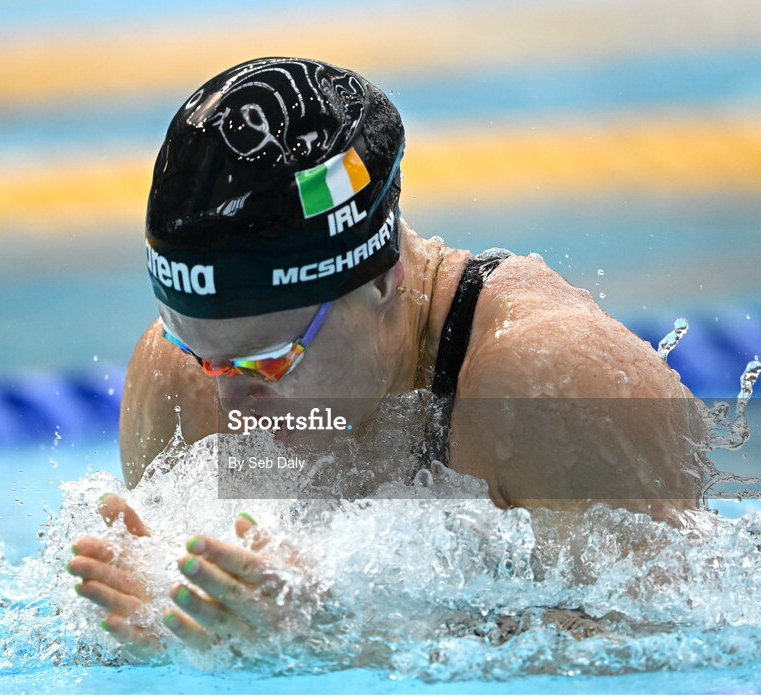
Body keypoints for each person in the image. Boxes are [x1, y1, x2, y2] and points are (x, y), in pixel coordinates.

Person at [68, 57, 701, 657]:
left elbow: (672, 641)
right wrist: (162, 631)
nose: (229, 403)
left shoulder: (549, 387)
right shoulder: (175, 379)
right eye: (200, 353)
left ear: (381, 278)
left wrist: (344, 638)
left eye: (269, 362)